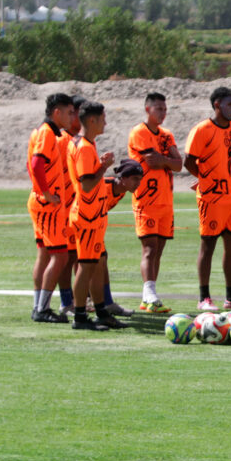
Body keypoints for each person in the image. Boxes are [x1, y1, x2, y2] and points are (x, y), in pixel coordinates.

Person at [66, 102, 143, 330]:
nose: (105, 123)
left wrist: (99, 165)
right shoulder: (84, 147)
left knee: (98, 265)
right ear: (92, 120)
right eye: (103, 118)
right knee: (86, 267)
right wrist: (104, 166)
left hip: (95, 216)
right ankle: (80, 317)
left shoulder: (85, 144)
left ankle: (102, 312)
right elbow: (87, 184)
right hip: (88, 216)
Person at [183, 86, 231, 312]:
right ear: (217, 105)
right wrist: (205, 177)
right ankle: (204, 297)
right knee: (208, 245)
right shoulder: (201, 130)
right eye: (230, 104)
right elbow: (189, 161)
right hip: (211, 198)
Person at [128, 92, 182, 314]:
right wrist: (167, 161)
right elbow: (152, 160)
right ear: (147, 109)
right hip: (146, 199)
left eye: (165, 108)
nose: (163, 112)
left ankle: (147, 296)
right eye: (158, 108)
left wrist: (166, 161)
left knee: (158, 249)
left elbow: (178, 164)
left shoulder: (167, 135)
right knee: (149, 248)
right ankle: (150, 294)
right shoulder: (139, 132)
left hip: (165, 201)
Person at [26, 93, 75, 323]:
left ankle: (39, 305)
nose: (70, 117)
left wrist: (39, 189)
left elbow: (31, 165)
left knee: (45, 254)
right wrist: (45, 192)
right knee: (60, 256)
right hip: (48, 206)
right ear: (57, 112)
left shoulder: (41, 132)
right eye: (68, 112)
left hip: (40, 203)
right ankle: (42, 309)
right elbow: (36, 163)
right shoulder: (47, 132)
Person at [56, 94, 85, 316]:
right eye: (78, 112)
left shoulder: (80, 140)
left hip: (80, 208)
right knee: (67, 256)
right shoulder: (62, 140)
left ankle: (79, 299)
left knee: (81, 256)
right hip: (64, 208)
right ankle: (66, 301)